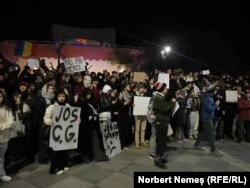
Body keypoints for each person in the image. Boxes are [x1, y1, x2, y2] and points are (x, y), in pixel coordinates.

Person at [43, 89, 71, 175]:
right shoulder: (51, 107)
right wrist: (49, 121)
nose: (61, 98)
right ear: (56, 97)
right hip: (56, 131)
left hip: (65, 130)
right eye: (59, 96)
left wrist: (77, 120)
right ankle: (55, 168)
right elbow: (46, 117)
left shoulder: (68, 106)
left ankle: (64, 164)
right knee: (57, 150)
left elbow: (72, 116)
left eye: (63, 96)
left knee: (65, 149)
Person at [193, 85, 223, 157]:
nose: (216, 91)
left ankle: (196, 145)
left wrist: (214, 105)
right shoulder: (207, 98)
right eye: (215, 90)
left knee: (202, 132)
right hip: (207, 118)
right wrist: (216, 105)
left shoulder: (208, 96)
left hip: (206, 117)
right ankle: (213, 150)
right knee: (212, 133)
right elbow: (209, 109)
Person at [152, 82, 176, 169]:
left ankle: (161, 157)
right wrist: (172, 102)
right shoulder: (157, 98)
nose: (167, 90)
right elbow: (165, 107)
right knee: (160, 142)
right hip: (160, 122)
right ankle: (157, 160)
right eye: (165, 88)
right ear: (161, 89)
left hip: (164, 122)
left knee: (163, 142)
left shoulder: (161, 97)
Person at [0, 89, 15, 181]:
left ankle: (1, 174)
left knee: (1, 156)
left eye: (0, 96)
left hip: (4, 136)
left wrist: (2, 126)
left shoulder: (7, 108)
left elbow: (11, 121)